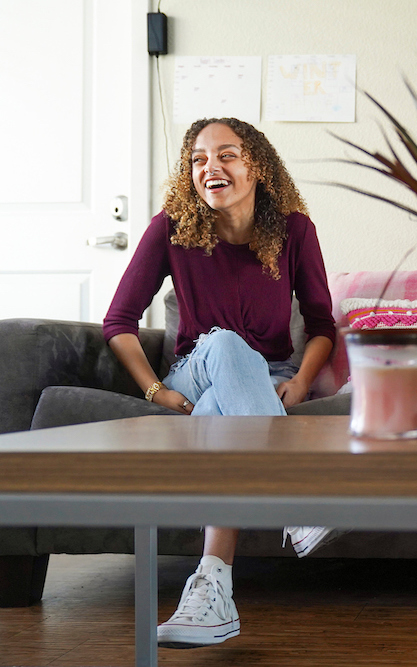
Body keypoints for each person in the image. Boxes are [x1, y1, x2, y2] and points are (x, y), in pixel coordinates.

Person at [103, 117, 339, 648]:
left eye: (227, 154)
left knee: (217, 413)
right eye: (198, 159)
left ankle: (211, 594)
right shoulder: (171, 228)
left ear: (256, 165)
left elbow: (323, 326)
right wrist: (154, 390)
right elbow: (118, 322)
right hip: (197, 363)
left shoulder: (294, 231)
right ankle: (298, 502)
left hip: (268, 376)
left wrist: (301, 381)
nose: (211, 167)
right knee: (227, 345)